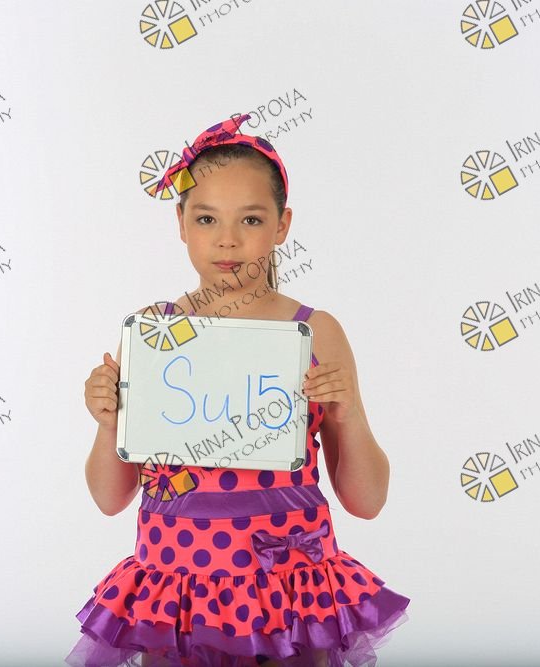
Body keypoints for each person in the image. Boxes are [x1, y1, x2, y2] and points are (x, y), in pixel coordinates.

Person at [65, 114, 410, 666]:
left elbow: (367, 502)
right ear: (181, 223)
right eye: (206, 218)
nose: (227, 239)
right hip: (178, 598)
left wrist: (346, 415)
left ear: (282, 225)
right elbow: (110, 498)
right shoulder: (155, 334)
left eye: (250, 219)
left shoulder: (316, 332)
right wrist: (109, 423)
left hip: (288, 594)